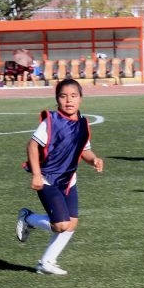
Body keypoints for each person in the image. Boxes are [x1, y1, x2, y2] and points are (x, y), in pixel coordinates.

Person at [15, 79, 104, 275]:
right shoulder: (51, 122)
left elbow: (85, 150)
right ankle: (28, 218)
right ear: (57, 99)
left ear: (81, 98)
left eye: (73, 96)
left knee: (71, 224)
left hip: (69, 179)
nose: (69, 101)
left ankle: (46, 262)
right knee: (60, 225)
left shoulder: (83, 124)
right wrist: (36, 175)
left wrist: (94, 160)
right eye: (63, 96)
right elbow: (32, 145)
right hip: (47, 177)